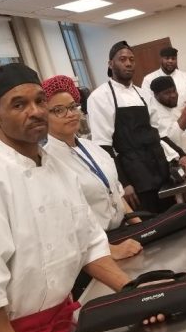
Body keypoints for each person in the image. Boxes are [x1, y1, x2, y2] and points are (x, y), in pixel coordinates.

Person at [0, 64, 163, 332]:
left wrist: (135, 296)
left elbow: (90, 246)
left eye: (39, 101)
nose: (35, 111)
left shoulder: (61, 170)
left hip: (63, 329)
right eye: (19, 104)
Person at [42, 75, 143, 261]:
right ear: (43, 115)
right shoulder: (47, 163)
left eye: (73, 107)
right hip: (96, 252)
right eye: (58, 110)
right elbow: (67, 225)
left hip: (124, 234)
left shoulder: (94, 149)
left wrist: (142, 229)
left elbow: (117, 196)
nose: (70, 114)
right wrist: (111, 250)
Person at [88, 41, 186, 213]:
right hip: (135, 176)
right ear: (110, 64)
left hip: (160, 168)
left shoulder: (143, 95)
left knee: (174, 215)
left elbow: (159, 134)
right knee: (152, 225)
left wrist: (181, 154)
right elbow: (104, 147)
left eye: (131, 59)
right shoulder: (99, 97)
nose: (128, 63)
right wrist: (123, 184)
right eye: (122, 59)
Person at [148, 75, 186, 154]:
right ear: (156, 95)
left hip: (184, 155)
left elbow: (180, 128)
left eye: (174, 90)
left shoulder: (168, 104)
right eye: (167, 93)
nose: (173, 95)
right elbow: (172, 139)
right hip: (173, 162)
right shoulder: (154, 112)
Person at [142, 46, 186, 117]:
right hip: (161, 124)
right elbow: (148, 103)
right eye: (167, 58)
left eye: (173, 58)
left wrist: (185, 113)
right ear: (161, 59)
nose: (170, 61)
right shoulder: (148, 79)